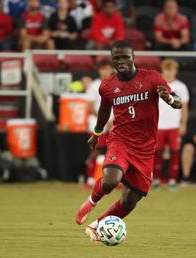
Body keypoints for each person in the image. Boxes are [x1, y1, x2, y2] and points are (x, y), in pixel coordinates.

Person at [74, 40, 183, 242]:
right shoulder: (107, 86)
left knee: (131, 200)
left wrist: (168, 99)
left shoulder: (152, 78)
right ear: (112, 60)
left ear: (133, 57)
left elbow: (178, 102)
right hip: (120, 140)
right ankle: (91, 202)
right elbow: (104, 110)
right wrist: (97, 133)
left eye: (125, 57)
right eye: (117, 58)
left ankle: (98, 224)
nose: (121, 61)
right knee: (111, 180)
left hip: (145, 147)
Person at [153, 59, 189, 189]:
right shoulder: (157, 85)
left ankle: (173, 180)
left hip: (174, 125)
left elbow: (184, 107)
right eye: (166, 70)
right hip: (159, 125)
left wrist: (183, 124)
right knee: (157, 152)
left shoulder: (181, 87)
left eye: (171, 70)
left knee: (175, 152)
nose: (169, 73)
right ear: (162, 71)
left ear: (176, 71)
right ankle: (156, 179)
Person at [84, 59, 113, 187]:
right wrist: (103, 120)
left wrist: (114, 121)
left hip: (113, 124)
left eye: (108, 68)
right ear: (99, 70)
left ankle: (112, 180)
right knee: (95, 151)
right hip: (97, 124)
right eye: (103, 69)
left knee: (113, 152)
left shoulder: (117, 84)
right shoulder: (94, 86)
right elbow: (90, 107)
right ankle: (90, 179)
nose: (106, 71)